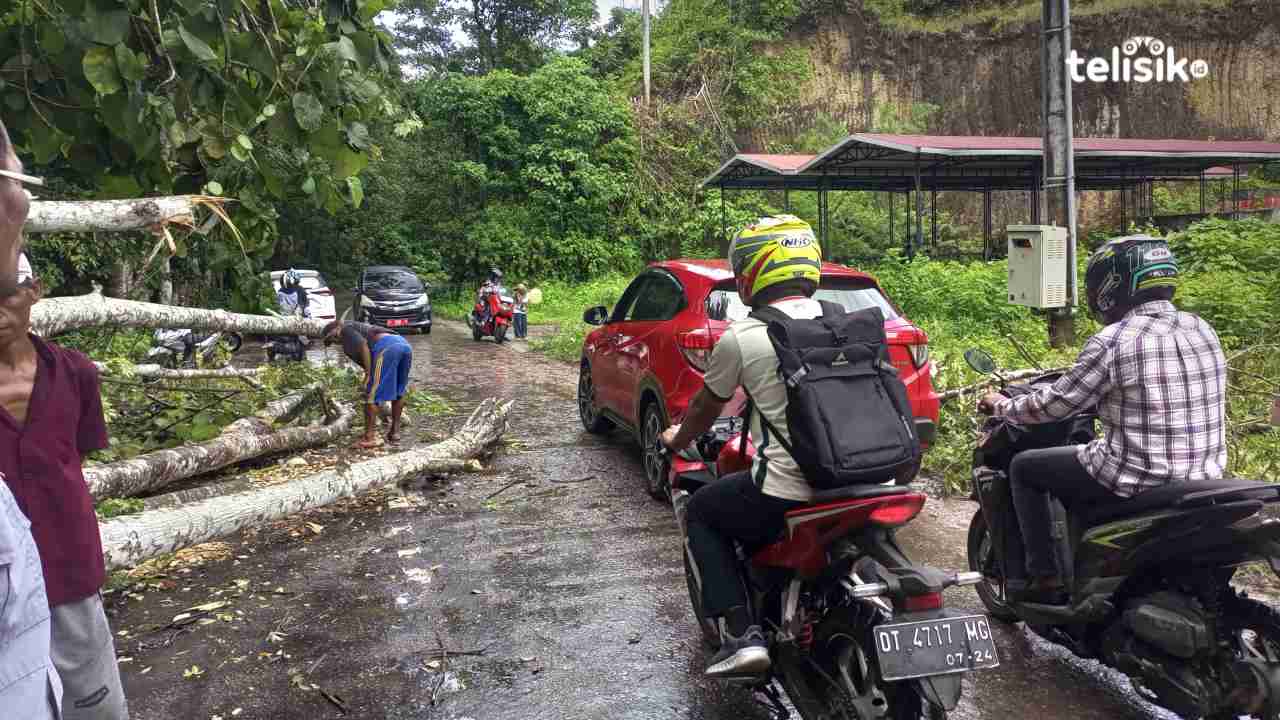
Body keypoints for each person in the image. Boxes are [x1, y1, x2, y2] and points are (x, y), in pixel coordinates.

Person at [978, 235, 1227, 604]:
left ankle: (1043, 580)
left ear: (1110, 285)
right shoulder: (1200, 327)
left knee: (1025, 467)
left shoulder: (1113, 340)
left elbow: (1057, 404)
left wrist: (1002, 405)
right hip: (1204, 475)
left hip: (1137, 476)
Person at [0, 116, 130, 719]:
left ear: (35, 295)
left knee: (94, 708)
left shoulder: (75, 373)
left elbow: (73, 459)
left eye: (8, 296)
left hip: (70, 575)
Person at [659, 215, 823, 677]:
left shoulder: (746, 336)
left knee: (704, 514)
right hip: (877, 476)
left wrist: (677, 437)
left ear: (752, 271)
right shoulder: (848, 322)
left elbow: (706, 410)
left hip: (793, 488)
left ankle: (741, 632)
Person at [323, 320, 413, 447]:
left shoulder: (345, 328)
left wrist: (368, 375)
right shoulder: (360, 329)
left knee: (371, 394)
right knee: (399, 390)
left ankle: (369, 438)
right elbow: (367, 356)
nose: (335, 342)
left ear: (336, 329)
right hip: (404, 345)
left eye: (333, 338)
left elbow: (363, 345)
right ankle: (394, 433)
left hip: (387, 347)